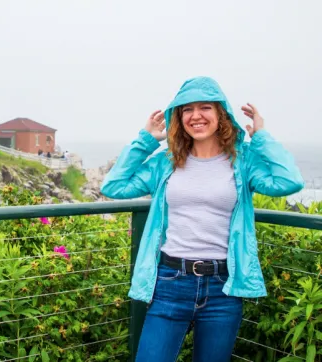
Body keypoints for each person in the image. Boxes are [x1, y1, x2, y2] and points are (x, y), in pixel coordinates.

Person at [100, 77, 304, 362]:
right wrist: (145, 140)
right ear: (178, 117)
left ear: (221, 115)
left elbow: (289, 181)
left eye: (205, 107)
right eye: (186, 109)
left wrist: (262, 137)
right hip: (170, 282)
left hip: (223, 287)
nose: (195, 116)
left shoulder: (243, 162)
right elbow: (114, 187)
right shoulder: (165, 162)